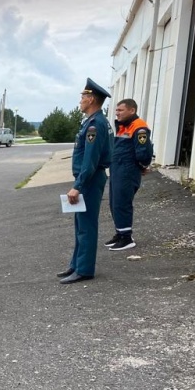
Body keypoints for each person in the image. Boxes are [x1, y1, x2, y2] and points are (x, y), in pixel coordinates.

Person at [58, 78, 113, 285]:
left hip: (89, 179)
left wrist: (77, 186)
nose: (80, 100)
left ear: (91, 99)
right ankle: (76, 265)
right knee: (80, 224)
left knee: (86, 226)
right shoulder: (94, 122)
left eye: (83, 97)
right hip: (88, 178)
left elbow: (90, 161)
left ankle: (84, 269)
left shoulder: (95, 125)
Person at [105, 98, 154, 251]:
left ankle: (126, 237)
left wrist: (142, 166)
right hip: (117, 169)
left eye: (120, 110)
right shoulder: (123, 126)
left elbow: (144, 152)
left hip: (127, 171)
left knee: (122, 203)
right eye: (116, 110)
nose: (117, 113)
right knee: (114, 202)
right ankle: (120, 233)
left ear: (132, 110)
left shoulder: (139, 128)